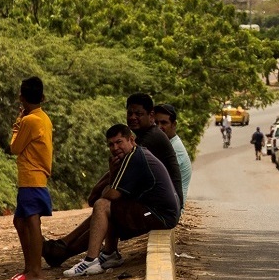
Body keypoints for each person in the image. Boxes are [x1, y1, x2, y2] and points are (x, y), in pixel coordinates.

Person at [43, 93, 183, 268]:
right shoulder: (141, 137)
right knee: (104, 208)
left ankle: (66, 252)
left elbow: (115, 180)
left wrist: (97, 192)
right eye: (130, 113)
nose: (133, 117)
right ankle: (62, 246)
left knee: (105, 207)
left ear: (151, 116)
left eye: (138, 114)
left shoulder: (149, 140)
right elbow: (117, 172)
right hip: (151, 201)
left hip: (161, 208)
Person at [63, 124, 180, 277]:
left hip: (161, 215)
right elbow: (115, 193)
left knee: (102, 206)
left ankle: (91, 261)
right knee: (112, 207)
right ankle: (109, 254)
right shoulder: (135, 154)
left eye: (119, 142)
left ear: (131, 140)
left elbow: (112, 194)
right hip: (160, 212)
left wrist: (107, 188)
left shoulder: (134, 157)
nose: (115, 147)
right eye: (111, 144)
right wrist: (111, 178)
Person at [8, 76, 53, 280]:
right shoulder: (43, 117)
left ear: (22, 97)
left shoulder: (29, 120)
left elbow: (15, 147)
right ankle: (30, 267)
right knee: (20, 221)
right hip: (36, 176)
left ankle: (35, 271)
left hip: (31, 177)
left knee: (32, 221)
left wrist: (17, 123)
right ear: (42, 97)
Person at [153, 104, 191, 210]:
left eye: (164, 123)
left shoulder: (174, 149)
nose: (158, 127)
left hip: (168, 211)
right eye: (156, 123)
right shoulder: (164, 144)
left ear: (174, 124)